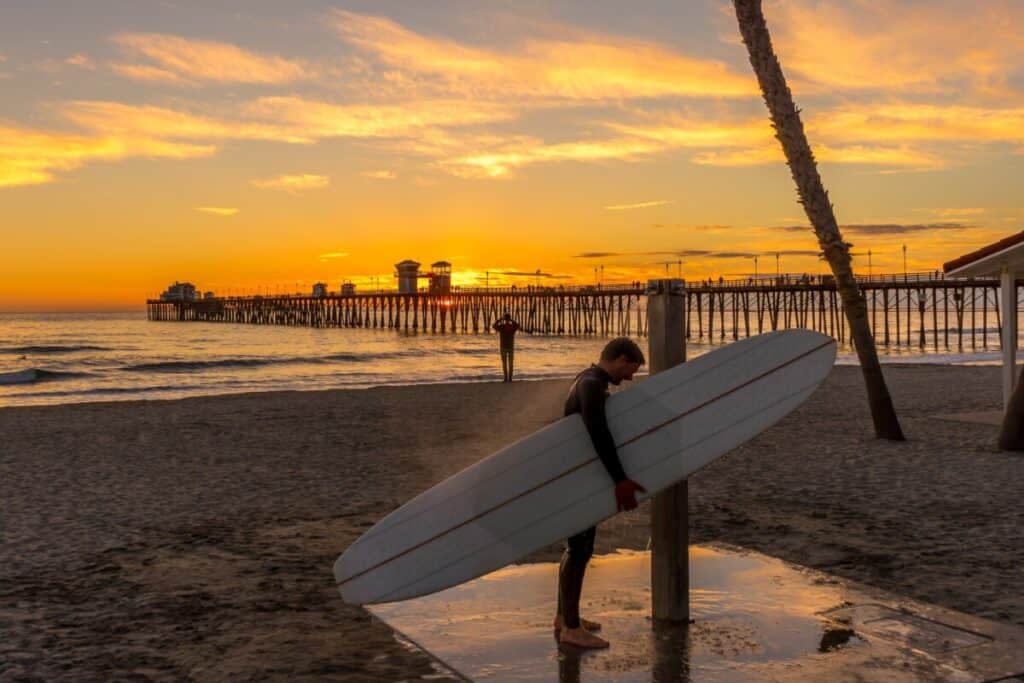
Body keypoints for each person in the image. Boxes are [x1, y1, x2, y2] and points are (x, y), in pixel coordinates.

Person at [555, 337, 647, 649]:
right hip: (579, 481)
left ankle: (566, 618)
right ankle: (570, 628)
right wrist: (620, 479)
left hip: (578, 478)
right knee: (579, 549)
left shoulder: (588, 378)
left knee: (576, 549)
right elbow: (598, 432)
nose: (630, 377)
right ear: (620, 358)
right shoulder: (592, 384)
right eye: (631, 369)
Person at [492, 312, 520, 382]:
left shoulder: (502, 327)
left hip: (503, 347)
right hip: (510, 347)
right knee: (511, 364)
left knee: (504, 363)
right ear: (509, 318)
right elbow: (517, 325)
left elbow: (494, 326)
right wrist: (511, 320)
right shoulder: (512, 327)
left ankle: (505, 378)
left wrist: (499, 320)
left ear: (504, 319)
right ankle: (510, 378)